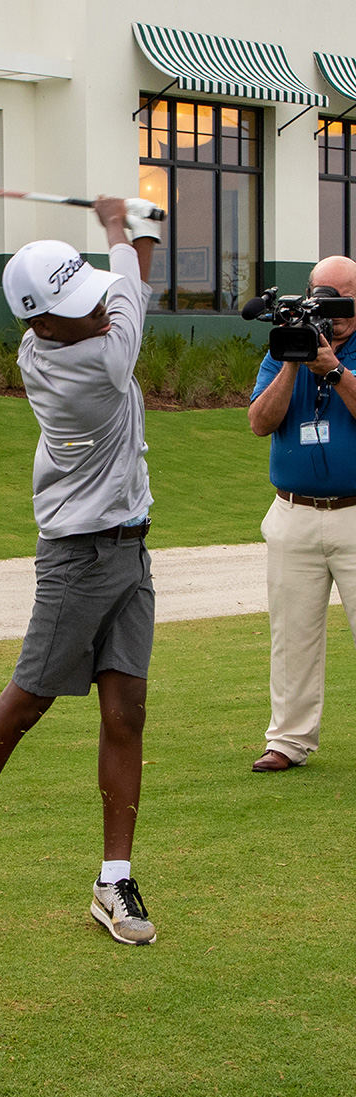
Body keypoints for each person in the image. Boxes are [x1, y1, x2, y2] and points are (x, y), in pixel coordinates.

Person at [0, 197, 161, 946]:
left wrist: (132, 234)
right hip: (77, 559)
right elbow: (129, 296)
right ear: (43, 323)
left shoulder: (62, 336)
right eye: (76, 309)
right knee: (27, 703)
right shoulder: (91, 366)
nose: (95, 313)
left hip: (129, 549)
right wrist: (124, 225)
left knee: (127, 711)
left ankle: (114, 881)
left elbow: (120, 291)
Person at [248, 256, 356, 773]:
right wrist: (292, 360)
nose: (325, 308)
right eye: (319, 294)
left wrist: (334, 369)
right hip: (293, 512)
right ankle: (288, 741)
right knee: (291, 635)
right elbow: (259, 422)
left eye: (336, 297)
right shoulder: (285, 346)